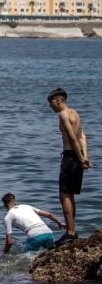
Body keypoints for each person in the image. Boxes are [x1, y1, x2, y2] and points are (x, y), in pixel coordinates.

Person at [48, 88, 92, 244]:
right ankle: (72, 231)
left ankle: (71, 232)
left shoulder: (63, 114)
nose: (50, 106)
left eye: (51, 103)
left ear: (59, 100)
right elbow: (82, 136)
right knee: (70, 195)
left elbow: (73, 138)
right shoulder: (75, 113)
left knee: (64, 195)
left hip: (70, 157)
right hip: (78, 155)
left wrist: (80, 159)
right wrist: (85, 157)